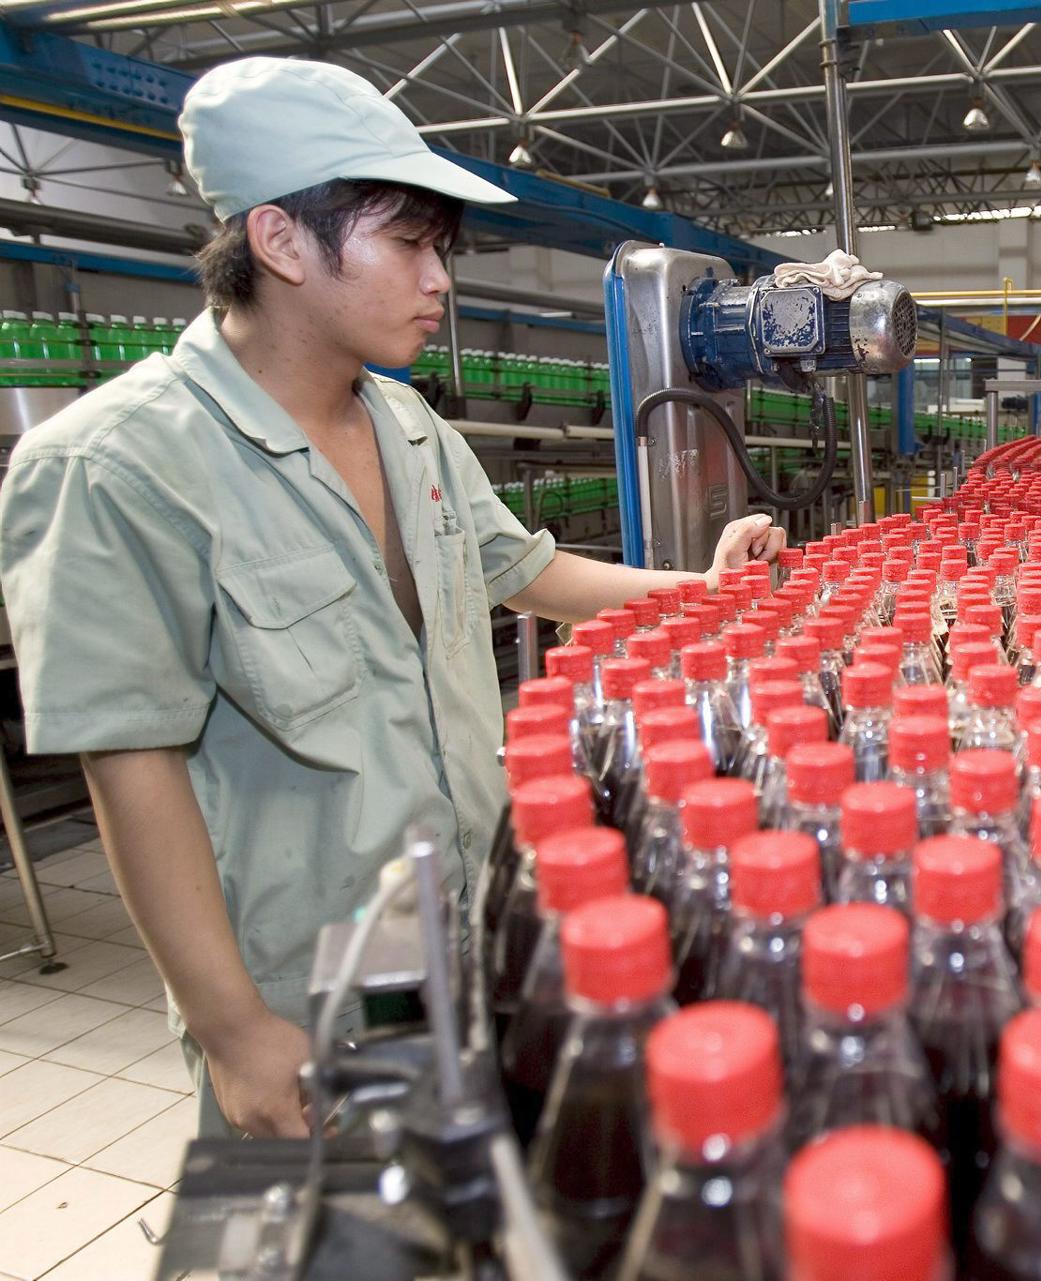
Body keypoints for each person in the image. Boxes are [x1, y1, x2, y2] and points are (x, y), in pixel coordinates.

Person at [0, 57, 786, 1139]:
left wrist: (699, 590)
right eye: (409, 244)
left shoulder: (414, 429)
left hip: (468, 928)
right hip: (308, 982)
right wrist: (234, 1034)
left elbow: (531, 573)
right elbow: (129, 763)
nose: (438, 281)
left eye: (439, 251)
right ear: (280, 242)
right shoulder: (116, 466)